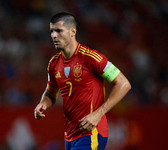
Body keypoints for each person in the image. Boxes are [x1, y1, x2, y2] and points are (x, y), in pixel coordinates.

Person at [34, 12, 131, 150]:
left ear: (73, 31)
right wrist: (43, 104)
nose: (54, 35)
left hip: (91, 132)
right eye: (52, 31)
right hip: (69, 135)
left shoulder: (91, 58)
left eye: (58, 31)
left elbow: (124, 84)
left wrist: (98, 113)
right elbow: (51, 92)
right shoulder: (54, 63)